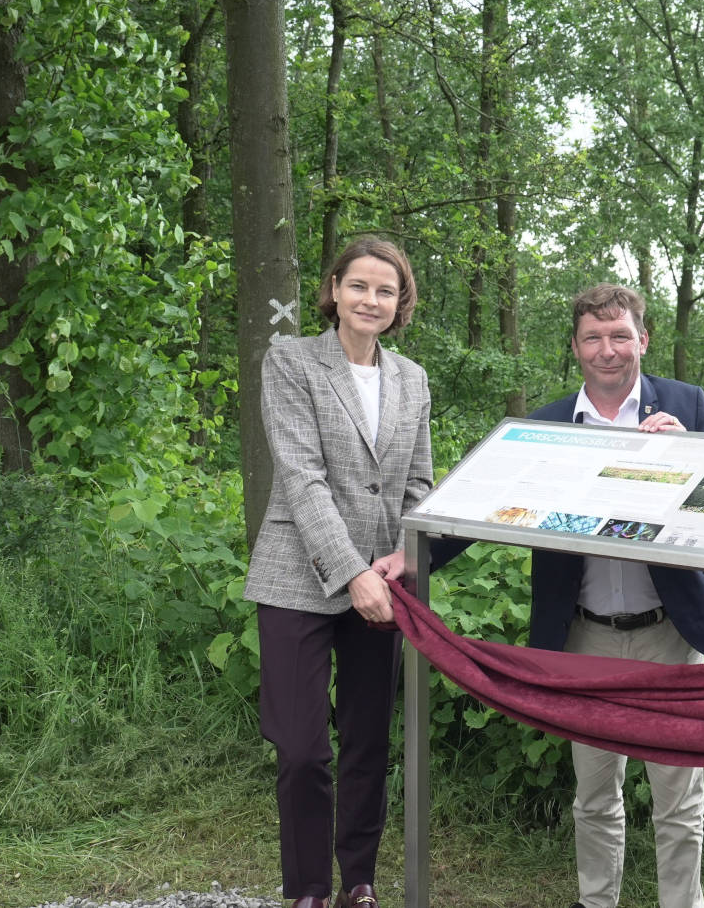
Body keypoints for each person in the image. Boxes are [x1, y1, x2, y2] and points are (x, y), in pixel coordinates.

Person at [529, 283, 704, 908]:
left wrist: (692, 455)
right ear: (575, 347)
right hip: (583, 635)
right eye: (593, 337)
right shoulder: (543, 426)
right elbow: (487, 507)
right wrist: (414, 555)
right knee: (594, 795)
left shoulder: (687, 405)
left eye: (620, 336)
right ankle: (597, 903)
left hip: (671, 632)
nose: (607, 350)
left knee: (678, 798)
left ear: (643, 340)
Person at [244, 236, 433, 908]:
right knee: (300, 749)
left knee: (365, 742)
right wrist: (351, 572)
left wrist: (406, 557)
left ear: (400, 301)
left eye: (385, 290)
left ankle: (357, 879)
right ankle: (307, 890)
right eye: (359, 286)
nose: (371, 300)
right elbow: (301, 475)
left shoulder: (412, 378)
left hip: (384, 583)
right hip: (299, 573)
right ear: (333, 289)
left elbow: (418, 482)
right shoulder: (291, 360)